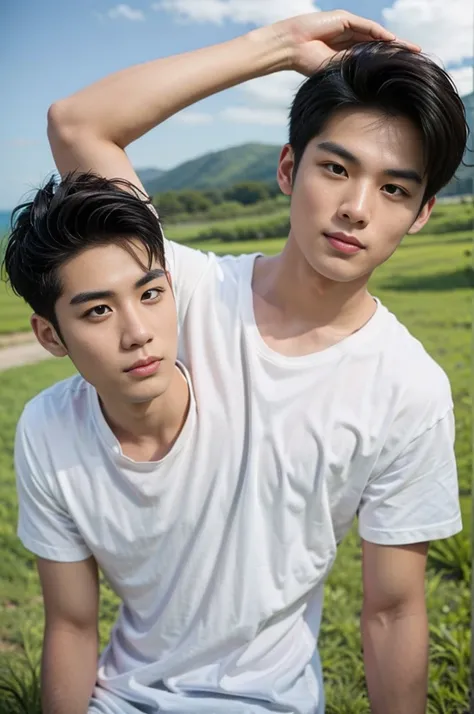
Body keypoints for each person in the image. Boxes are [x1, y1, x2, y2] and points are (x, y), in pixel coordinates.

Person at [7, 9, 467, 714]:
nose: (355, 208)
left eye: (394, 189)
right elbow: (77, 124)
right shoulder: (176, 289)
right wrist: (276, 48)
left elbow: (393, 612)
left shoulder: (408, 387)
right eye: (336, 168)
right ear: (289, 167)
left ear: (422, 213)